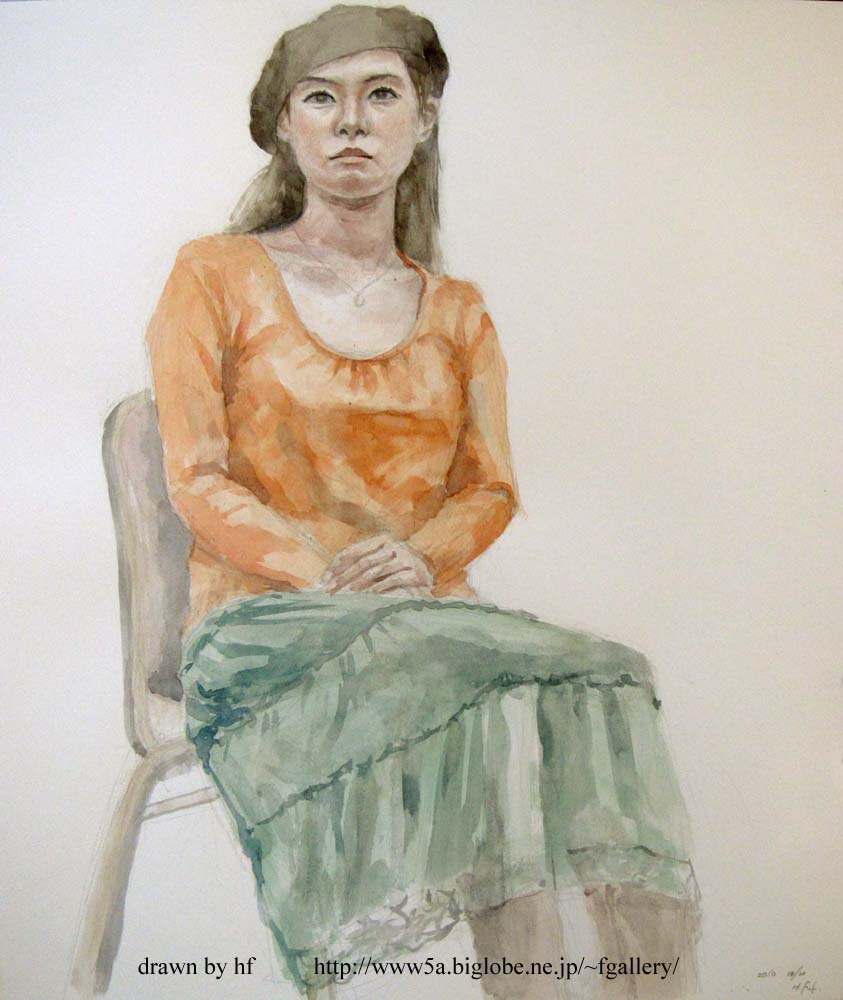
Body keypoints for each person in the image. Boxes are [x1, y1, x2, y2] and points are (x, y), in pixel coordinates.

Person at [145, 5, 702, 998]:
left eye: (380, 96)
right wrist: (323, 569)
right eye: (322, 99)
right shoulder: (214, 274)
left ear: (424, 118)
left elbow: (490, 487)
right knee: (495, 693)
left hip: (431, 618)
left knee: (606, 675)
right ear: (285, 126)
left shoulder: (457, 312)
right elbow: (196, 477)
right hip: (264, 624)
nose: (351, 123)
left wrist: (419, 557)